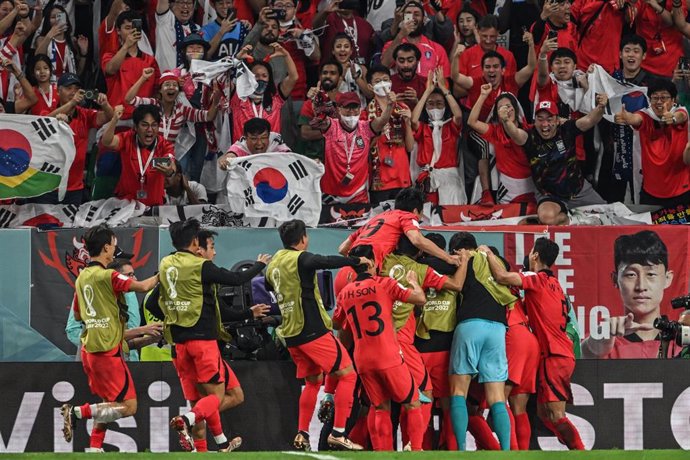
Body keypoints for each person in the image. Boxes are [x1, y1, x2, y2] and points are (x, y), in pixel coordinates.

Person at [159, 219, 270, 452]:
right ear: (194, 243)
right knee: (215, 398)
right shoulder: (201, 266)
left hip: (179, 344)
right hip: (203, 341)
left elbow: (151, 301)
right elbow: (237, 279)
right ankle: (187, 420)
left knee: (204, 400)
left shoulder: (166, 263)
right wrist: (260, 264)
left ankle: (215, 446)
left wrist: (174, 312)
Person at [265, 219, 372, 451]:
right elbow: (324, 261)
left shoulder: (273, 265)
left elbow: (267, 286)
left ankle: (302, 434)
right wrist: (356, 261)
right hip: (311, 329)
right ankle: (339, 432)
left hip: (291, 334)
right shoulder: (301, 258)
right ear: (303, 238)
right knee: (348, 374)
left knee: (312, 382)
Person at [60, 224, 160, 452]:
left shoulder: (82, 277)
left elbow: (77, 314)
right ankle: (77, 411)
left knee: (109, 402)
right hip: (107, 351)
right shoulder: (110, 276)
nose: (115, 249)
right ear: (106, 248)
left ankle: (95, 448)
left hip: (89, 350)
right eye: (113, 245)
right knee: (129, 406)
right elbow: (144, 285)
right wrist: (164, 272)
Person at [483, 237, 585, 450]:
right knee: (542, 415)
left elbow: (501, 276)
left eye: (531, 251)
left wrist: (489, 254)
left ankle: (580, 451)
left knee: (556, 415)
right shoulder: (556, 285)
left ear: (535, 255)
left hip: (554, 356)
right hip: (558, 354)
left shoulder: (536, 279)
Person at [338, 243, 427, 451]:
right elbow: (420, 299)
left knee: (379, 408)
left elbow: (337, 323)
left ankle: (382, 454)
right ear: (372, 262)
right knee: (413, 403)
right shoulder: (385, 283)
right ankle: (417, 452)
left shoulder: (345, 292)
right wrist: (414, 283)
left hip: (362, 359)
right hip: (387, 354)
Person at [446, 232, 516, 451]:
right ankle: (505, 451)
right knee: (496, 396)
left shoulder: (460, 261)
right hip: (497, 328)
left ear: (457, 250)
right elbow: (505, 276)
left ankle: (460, 450)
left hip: (469, 325)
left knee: (458, 392)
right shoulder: (497, 261)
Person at [500, 95, 608, 225]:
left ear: (557, 120)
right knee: (547, 218)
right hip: (549, 195)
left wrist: (601, 107)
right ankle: (571, 219)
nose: (545, 124)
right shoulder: (529, 136)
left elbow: (590, 119)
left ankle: (554, 219)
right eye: (540, 119)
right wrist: (506, 121)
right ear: (535, 121)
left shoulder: (567, 129)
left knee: (607, 215)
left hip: (578, 190)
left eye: (549, 119)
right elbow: (515, 134)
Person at [581, 230, 676, 359]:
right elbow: (579, 357)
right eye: (631, 275)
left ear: (667, 279)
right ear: (615, 280)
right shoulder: (602, 341)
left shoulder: (683, 339)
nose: (641, 286)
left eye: (651, 274)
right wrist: (593, 346)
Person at [613, 78, 690, 208]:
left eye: (664, 97)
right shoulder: (645, 115)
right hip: (651, 193)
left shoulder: (680, 112)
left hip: (681, 191)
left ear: (673, 100)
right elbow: (636, 119)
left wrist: (672, 118)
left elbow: (681, 116)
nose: (659, 102)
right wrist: (627, 118)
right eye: (655, 98)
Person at [39, 73, 114, 205]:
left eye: (76, 89)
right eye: (69, 88)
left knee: (71, 225)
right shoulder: (47, 112)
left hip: (74, 188)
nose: (73, 92)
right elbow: (46, 121)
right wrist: (72, 103)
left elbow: (108, 116)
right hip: (48, 187)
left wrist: (105, 104)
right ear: (58, 90)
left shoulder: (84, 114)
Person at [339, 187, 460, 268]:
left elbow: (342, 249)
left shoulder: (377, 218)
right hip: (369, 269)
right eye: (420, 214)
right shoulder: (407, 216)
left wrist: (357, 262)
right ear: (415, 211)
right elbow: (417, 240)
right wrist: (448, 258)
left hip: (348, 269)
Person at [313, 91, 392, 204]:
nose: (351, 111)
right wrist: (317, 103)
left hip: (358, 193)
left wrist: (389, 106)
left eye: (355, 107)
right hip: (331, 193)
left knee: (361, 221)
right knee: (330, 221)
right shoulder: (331, 126)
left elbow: (382, 121)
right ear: (339, 109)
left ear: (360, 108)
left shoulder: (365, 128)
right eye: (347, 108)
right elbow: (320, 120)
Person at [467, 86, 535, 205]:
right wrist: (483, 95)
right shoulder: (495, 131)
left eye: (508, 106)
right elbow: (472, 122)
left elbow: (516, 134)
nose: (506, 110)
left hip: (532, 188)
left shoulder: (529, 130)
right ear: (497, 114)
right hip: (507, 191)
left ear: (516, 109)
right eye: (501, 108)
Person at [101, 104, 177, 206]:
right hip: (126, 203)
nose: (150, 129)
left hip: (153, 204)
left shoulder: (164, 145)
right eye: (144, 125)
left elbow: (171, 165)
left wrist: (170, 172)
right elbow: (107, 141)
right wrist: (114, 119)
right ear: (136, 127)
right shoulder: (127, 138)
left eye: (154, 125)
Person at [411, 67, 465, 205]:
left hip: (449, 180)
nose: (435, 107)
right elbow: (413, 120)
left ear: (445, 106)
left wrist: (444, 89)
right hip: (427, 182)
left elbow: (458, 115)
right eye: (431, 104)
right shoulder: (423, 128)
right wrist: (427, 92)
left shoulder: (450, 126)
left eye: (439, 104)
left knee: (451, 219)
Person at [364, 65, 413, 206]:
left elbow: (409, 147)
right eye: (378, 81)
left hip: (401, 174)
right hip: (380, 178)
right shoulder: (366, 113)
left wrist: (408, 123)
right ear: (370, 86)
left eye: (385, 80)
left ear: (391, 83)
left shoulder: (402, 108)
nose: (383, 84)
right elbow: (367, 146)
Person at [102, 10, 160, 120]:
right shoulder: (109, 56)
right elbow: (110, 70)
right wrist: (126, 46)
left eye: (135, 28)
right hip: (117, 118)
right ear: (118, 31)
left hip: (143, 120)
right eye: (128, 28)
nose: (132, 32)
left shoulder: (150, 60)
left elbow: (157, 91)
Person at [298, 61, 343, 161]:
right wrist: (332, 131)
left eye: (332, 73)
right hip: (315, 159)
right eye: (325, 73)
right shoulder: (310, 102)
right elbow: (305, 134)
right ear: (320, 77)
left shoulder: (346, 101)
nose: (328, 76)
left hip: (340, 158)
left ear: (340, 79)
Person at [155, 0, 201, 72]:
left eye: (189, 3)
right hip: (165, 80)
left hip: (188, 79)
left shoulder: (197, 29)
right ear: (171, 5)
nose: (185, 6)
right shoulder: (165, 20)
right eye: (181, 2)